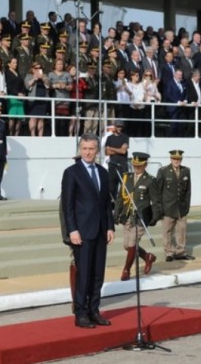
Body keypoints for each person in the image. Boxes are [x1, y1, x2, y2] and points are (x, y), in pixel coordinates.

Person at [61, 133, 115, 329]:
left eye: (91, 149)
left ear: (97, 151)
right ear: (80, 150)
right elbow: (68, 206)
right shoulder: (71, 173)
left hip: (100, 231)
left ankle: (94, 311)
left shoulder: (102, 172)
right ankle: (81, 313)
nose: (88, 152)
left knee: (98, 274)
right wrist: (72, 230)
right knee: (84, 274)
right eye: (84, 149)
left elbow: (106, 203)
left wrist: (110, 226)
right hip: (82, 232)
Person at [113, 152, 157, 281]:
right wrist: (116, 214)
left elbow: (156, 201)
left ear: (145, 165)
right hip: (127, 216)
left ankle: (126, 270)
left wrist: (155, 216)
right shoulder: (127, 177)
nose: (137, 168)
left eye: (140, 166)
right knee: (127, 246)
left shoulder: (150, 180)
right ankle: (148, 256)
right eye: (135, 165)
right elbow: (120, 198)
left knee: (132, 243)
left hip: (141, 218)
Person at [152, 150, 195, 261]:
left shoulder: (186, 171)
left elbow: (188, 191)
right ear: (171, 159)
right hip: (167, 207)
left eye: (179, 159)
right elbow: (158, 191)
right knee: (167, 231)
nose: (176, 161)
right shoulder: (163, 171)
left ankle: (181, 252)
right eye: (174, 159)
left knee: (182, 231)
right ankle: (169, 253)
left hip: (181, 207)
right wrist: (159, 208)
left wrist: (187, 207)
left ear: (181, 159)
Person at [104, 119, 129, 201]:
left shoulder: (125, 137)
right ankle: (112, 206)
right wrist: (119, 150)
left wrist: (111, 148)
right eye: (118, 126)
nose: (120, 128)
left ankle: (122, 207)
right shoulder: (109, 138)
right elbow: (106, 152)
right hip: (112, 166)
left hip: (122, 166)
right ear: (114, 127)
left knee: (124, 187)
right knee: (111, 188)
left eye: (121, 127)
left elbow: (123, 151)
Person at [24, 62, 50, 136]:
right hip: (33, 100)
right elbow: (27, 86)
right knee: (33, 118)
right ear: (32, 69)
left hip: (43, 99)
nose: (38, 70)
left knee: (41, 118)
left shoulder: (45, 76)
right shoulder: (29, 76)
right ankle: (33, 135)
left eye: (40, 68)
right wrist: (34, 79)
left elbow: (48, 85)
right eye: (36, 68)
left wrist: (43, 78)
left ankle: (40, 135)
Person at [5, 57, 27, 136]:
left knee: (19, 117)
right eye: (13, 63)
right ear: (9, 64)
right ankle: (11, 134)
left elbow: (22, 84)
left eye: (16, 63)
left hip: (20, 97)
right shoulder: (7, 73)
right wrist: (17, 93)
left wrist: (23, 93)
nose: (15, 64)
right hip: (12, 96)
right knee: (12, 117)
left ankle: (17, 134)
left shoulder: (18, 73)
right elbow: (8, 86)